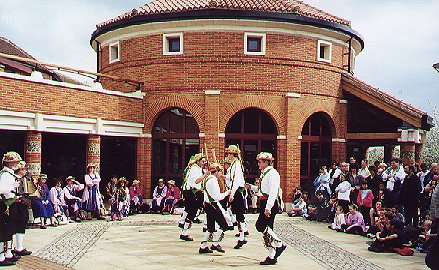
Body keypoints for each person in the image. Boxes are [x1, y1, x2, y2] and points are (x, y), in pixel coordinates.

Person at [255, 152, 286, 265]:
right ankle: (272, 256)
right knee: (267, 230)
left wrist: (268, 207)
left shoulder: (273, 174)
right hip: (265, 202)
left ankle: (279, 244)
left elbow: (273, 191)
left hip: (270, 203)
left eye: (260, 162)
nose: (258, 164)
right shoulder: (265, 173)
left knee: (261, 226)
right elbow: (265, 189)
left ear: (266, 162)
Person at [198, 163, 231, 254]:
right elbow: (217, 196)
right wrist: (227, 193)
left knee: (211, 227)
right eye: (220, 171)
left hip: (207, 205)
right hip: (213, 205)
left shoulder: (207, 179)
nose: (220, 173)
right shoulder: (213, 181)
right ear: (215, 172)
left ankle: (203, 246)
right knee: (224, 225)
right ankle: (215, 244)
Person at [0, 152, 25, 266]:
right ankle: (1, 257)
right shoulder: (6, 175)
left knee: (9, 230)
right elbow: (3, 189)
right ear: (9, 164)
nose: (16, 165)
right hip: (6, 204)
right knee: (4, 230)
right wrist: (13, 187)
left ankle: (8, 254)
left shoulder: (9, 174)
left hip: (9, 204)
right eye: (14, 162)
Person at [179, 153, 208, 241]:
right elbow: (196, 181)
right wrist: (205, 175)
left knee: (191, 209)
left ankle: (183, 226)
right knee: (193, 209)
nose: (203, 163)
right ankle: (184, 231)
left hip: (192, 191)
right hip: (191, 191)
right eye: (202, 161)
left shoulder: (197, 168)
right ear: (198, 161)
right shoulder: (195, 169)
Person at [225, 145, 248, 249]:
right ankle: (242, 236)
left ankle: (242, 237)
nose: (228, 156)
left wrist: (232, 194)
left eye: (229, 154)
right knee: (237, 215)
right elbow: (230, 178)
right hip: (234, 191)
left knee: (239, 215)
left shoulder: (237, 165)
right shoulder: (233, 165)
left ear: (232, 154)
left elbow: (236, 181)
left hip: (237, 192)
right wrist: (223, 176)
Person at [11, 161, 32, 257]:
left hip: (23, 204)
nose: (25, 171)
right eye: (24, 169)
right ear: (20, 170)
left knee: (22, 223)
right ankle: (10, 248)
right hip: (15, 204)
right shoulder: (14, 179)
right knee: (13, 223)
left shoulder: (25, 179)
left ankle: (19, 247)